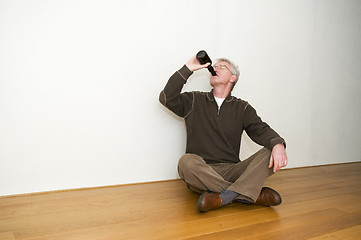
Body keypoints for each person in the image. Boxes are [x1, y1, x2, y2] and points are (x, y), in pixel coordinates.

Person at [159, 54, 288, 213]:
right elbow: (166, 98)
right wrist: (188, 68)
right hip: (202, 172)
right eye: (215, 66)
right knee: (185, 162)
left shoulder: (242, 108)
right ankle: (246, 194)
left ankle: (223, 196)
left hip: (232, 171)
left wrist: (278, 144)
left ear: (232, 78)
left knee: (272, 149)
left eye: (222, 67)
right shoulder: (194, 100)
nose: (216, 68)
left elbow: (261, 129)